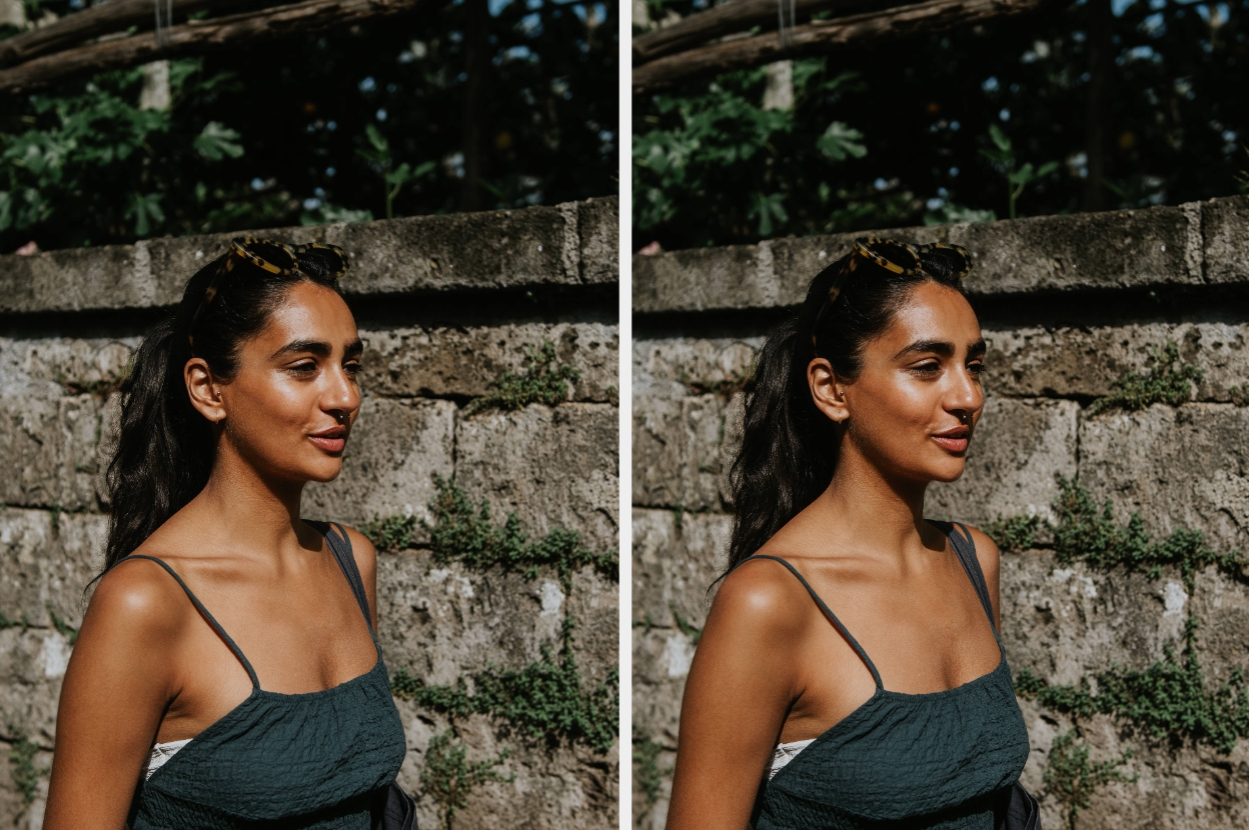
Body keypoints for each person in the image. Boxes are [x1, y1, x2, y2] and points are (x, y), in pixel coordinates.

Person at [666, 239, 1032, 830]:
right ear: (832, 390)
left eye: (974, 364)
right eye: (927, 366)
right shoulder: (769, 603)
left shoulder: (972, 559)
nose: (968, 396)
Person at [43, 239, 408, 830]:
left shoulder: (349, 559)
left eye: (351, 364)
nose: (345, 396)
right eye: (304, 366)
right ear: (209, 390)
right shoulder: (146, 603)